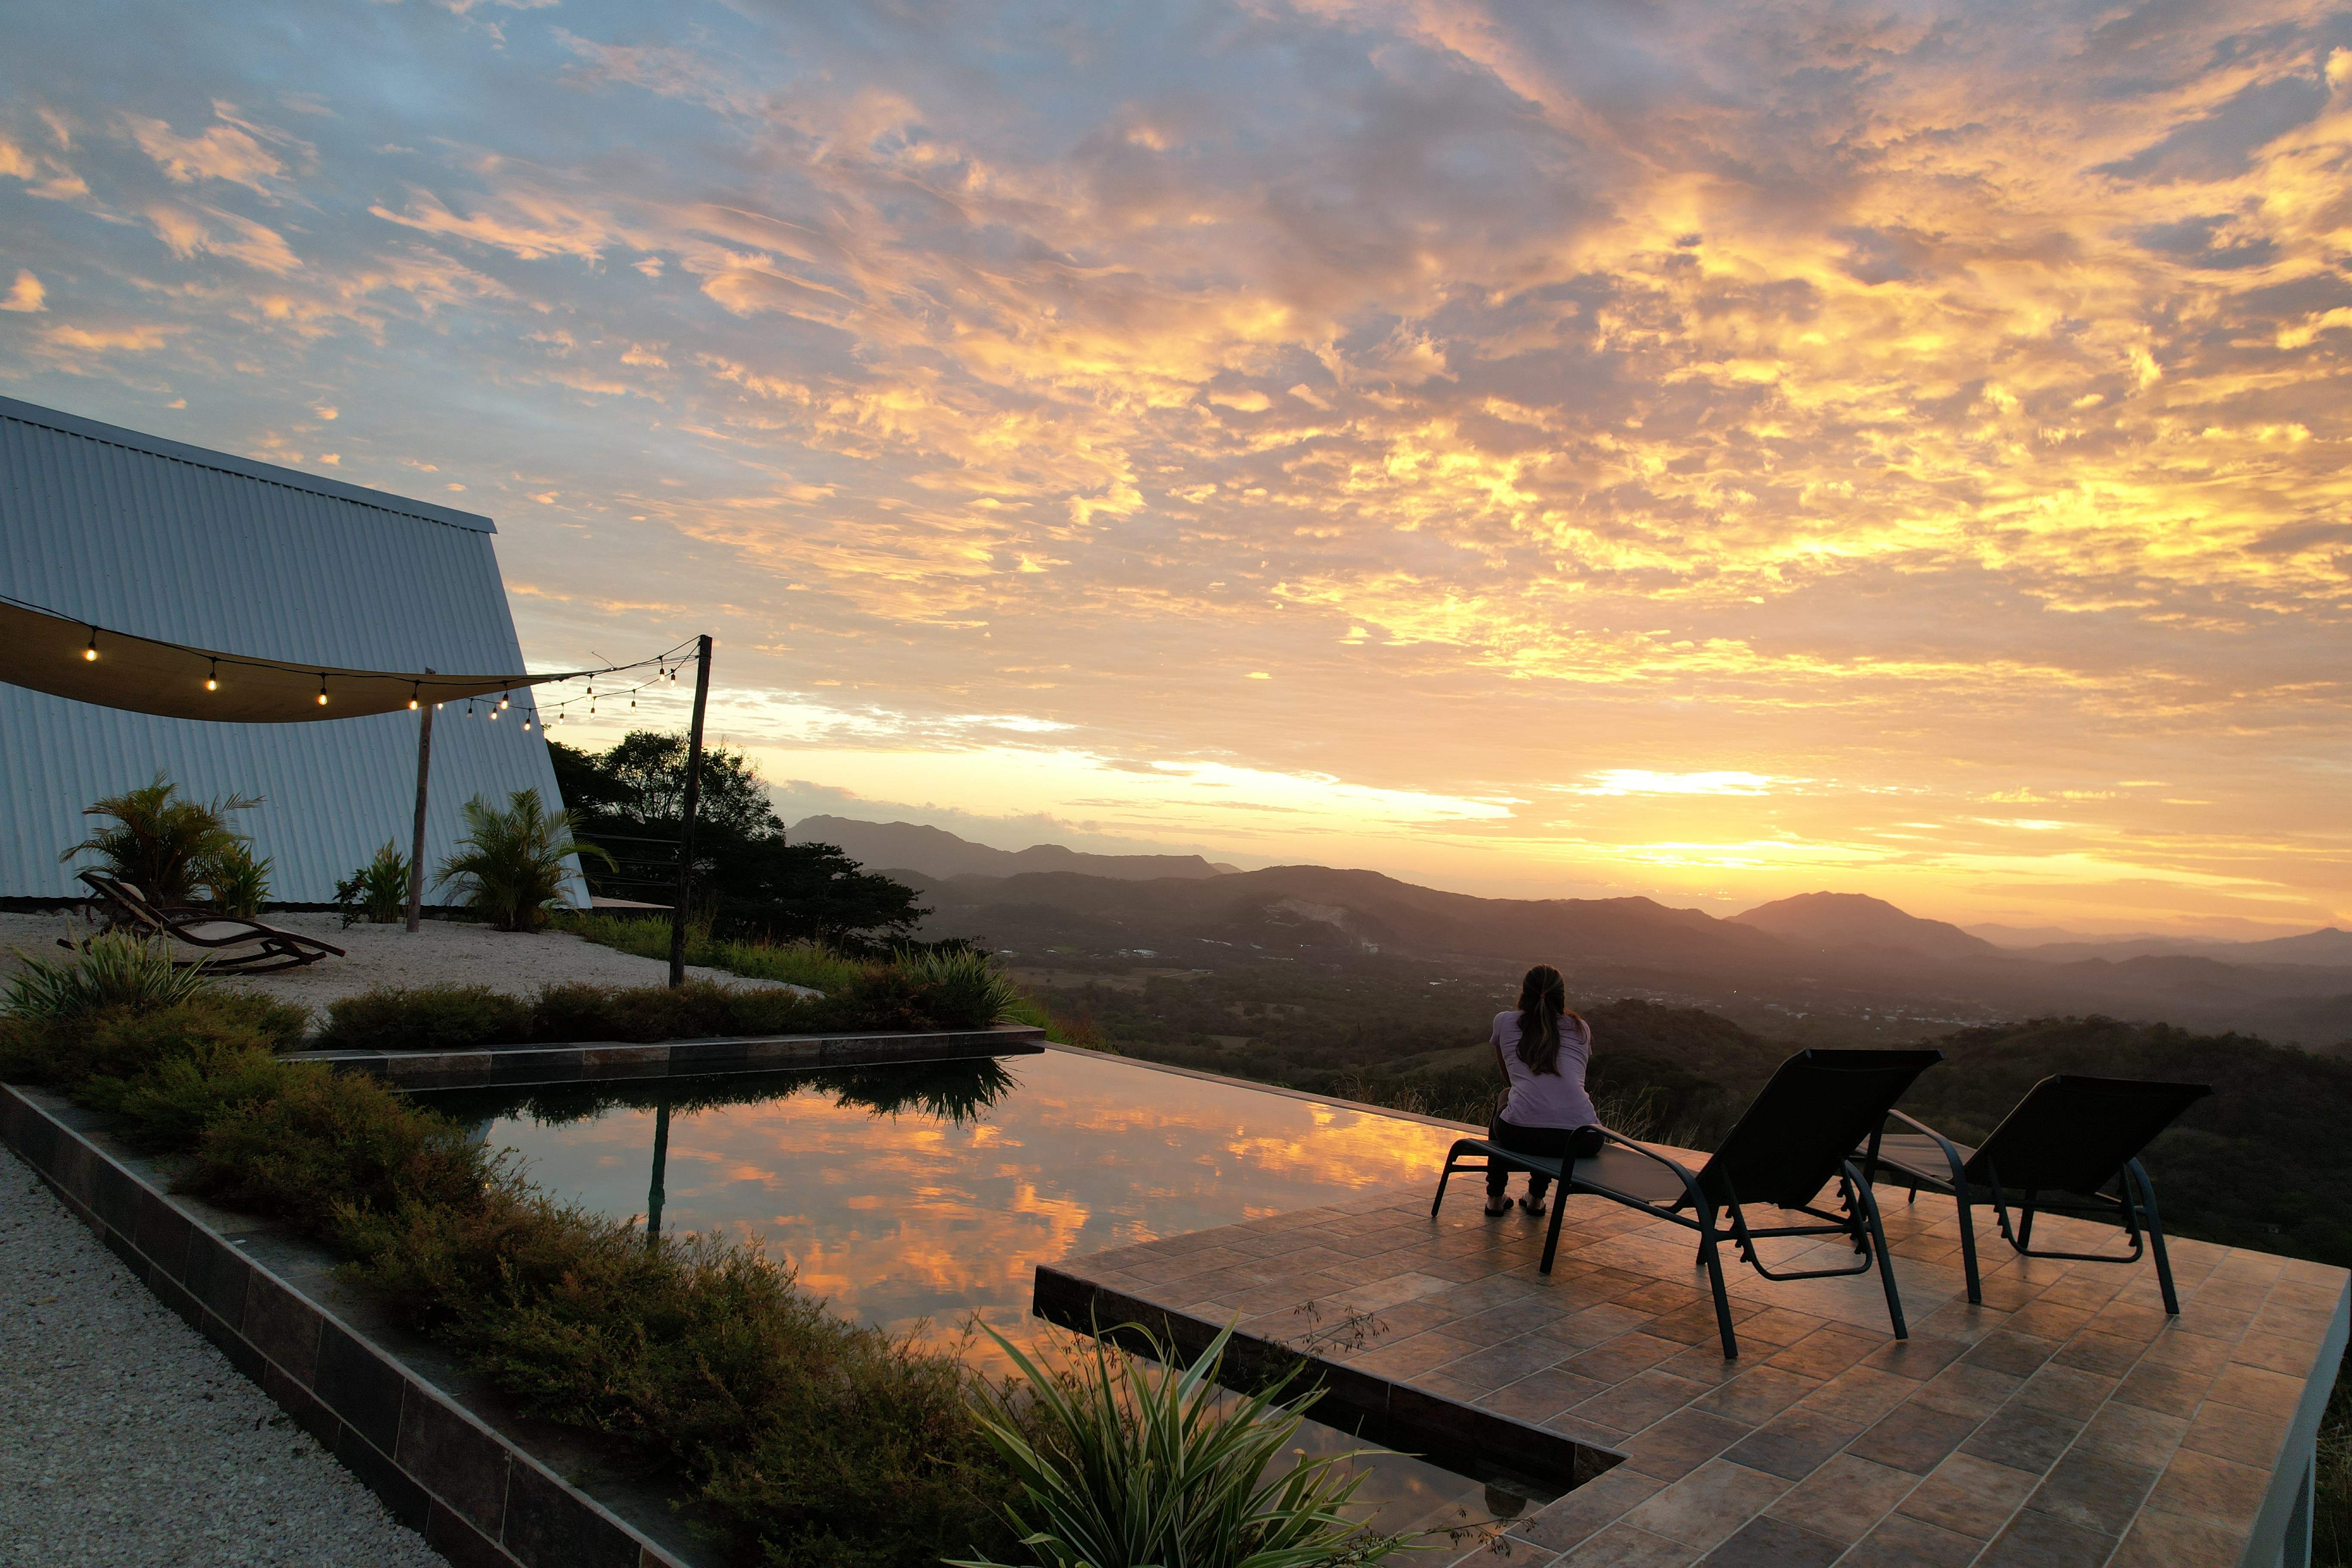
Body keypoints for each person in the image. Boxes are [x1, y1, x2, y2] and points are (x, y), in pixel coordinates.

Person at [1484, 964, 1601, 1217]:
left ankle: (1495, 1198)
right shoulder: (1581, 1028)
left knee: (1509, 1097)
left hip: (1519, 1133)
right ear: (1562, 996)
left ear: (1525, 993)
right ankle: (1536, 1199)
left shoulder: (1504, 1021)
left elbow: (1511, 1080)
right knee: (1556, 1106)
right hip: (1584, 1139)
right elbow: (1577, 1078)